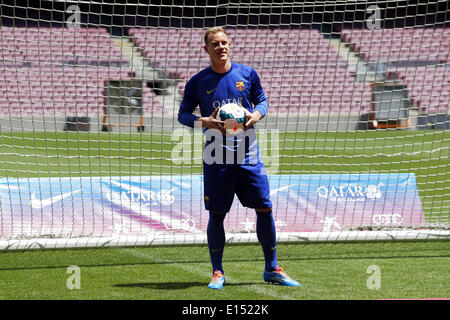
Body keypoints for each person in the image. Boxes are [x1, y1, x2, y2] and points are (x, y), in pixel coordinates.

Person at [178, 26, 300, 289]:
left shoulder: (247, 74)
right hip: (216, 158)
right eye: (215, 44)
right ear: (206, 49)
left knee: (264, 208)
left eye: (224, 43)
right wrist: (205, 122)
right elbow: (183, 114)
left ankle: (272, 268)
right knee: (217, 214)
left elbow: (262, 101)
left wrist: (256, 115)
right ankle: (217, 272)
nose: (221, 47)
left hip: (248, 155)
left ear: (229, 45)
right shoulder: (198, 82)